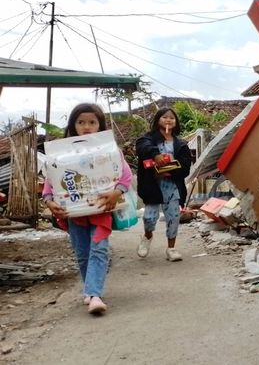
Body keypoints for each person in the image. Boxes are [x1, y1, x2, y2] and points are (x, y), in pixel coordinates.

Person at [43, 103, 132, 315]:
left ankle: (94, 295)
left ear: (100, 125)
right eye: (81, 122)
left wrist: (116, 193)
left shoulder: (110, 151)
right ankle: (90, 290)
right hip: (74, 215)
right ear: (73, 125)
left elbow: (125, 177)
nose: (87, 127)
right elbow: (50, 182)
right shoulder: (61, 154)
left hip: (101, 211)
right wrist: (48, 201)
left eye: (92, 122)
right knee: (82, 254)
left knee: (99, 250)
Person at [135, 107, 191, 262]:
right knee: (149, 218)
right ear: (158, 120)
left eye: (172, 118)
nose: (168, 120)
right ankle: (147, 237)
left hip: (172, 186)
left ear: (176, 122)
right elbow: (142, 147)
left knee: (173, 217)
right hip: (153, 185)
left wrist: (170, 171)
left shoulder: (181, 144)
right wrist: (156, 154)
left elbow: (185, 166)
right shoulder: (148, 139)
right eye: (164, 117)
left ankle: (171, 249)